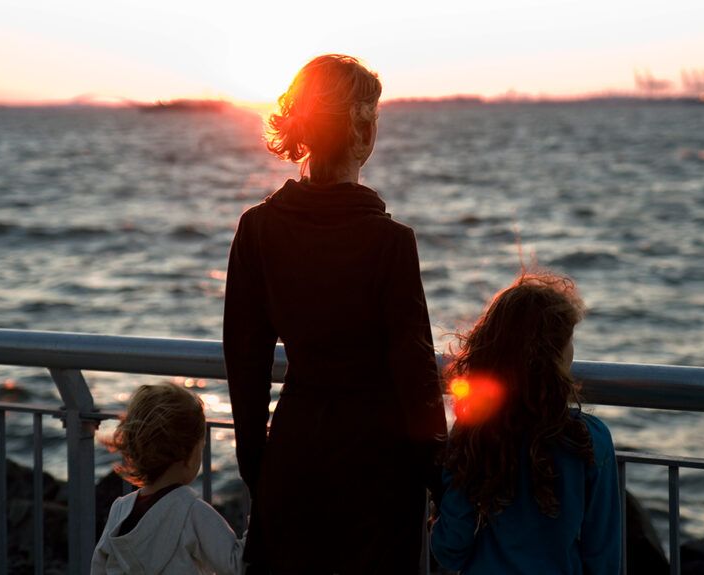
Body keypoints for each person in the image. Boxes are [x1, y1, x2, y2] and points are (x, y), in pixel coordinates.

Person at [223, 54, 447, 573]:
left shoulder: (257, 230)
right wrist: (442, 481)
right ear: (362, 127)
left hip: (295, 452)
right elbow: (415, 374)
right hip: (379, 466)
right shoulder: (390, 242)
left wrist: (258, 467)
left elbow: (245, 364)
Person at [430, 273, 621, 574]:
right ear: (556, 357)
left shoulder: (474, 434)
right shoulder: (590, 440)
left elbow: (451, 548)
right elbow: (604, 556)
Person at [91, 384, 244, 575]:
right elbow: (236, 565)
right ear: (188, 456)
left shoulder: (120, 510)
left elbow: (99, 567)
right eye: (200, 448)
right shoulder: (193, 513)